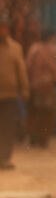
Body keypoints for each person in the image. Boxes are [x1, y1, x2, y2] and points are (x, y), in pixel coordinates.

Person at [0, 12, 29, 169]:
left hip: (10, 95)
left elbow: (21, 71)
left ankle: (5, 158)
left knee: (7, 128)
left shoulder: (15, 48)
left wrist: (24, 90)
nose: (2, 31)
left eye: (4, 28)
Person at [25, 28, 56, 148]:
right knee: (48, 113)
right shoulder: (54, 49)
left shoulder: (34, 49)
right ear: (51, 37)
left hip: (35, 85)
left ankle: (33, 136)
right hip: (50, 86)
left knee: (36, 111)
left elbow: (28, 66)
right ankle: (44, 139)